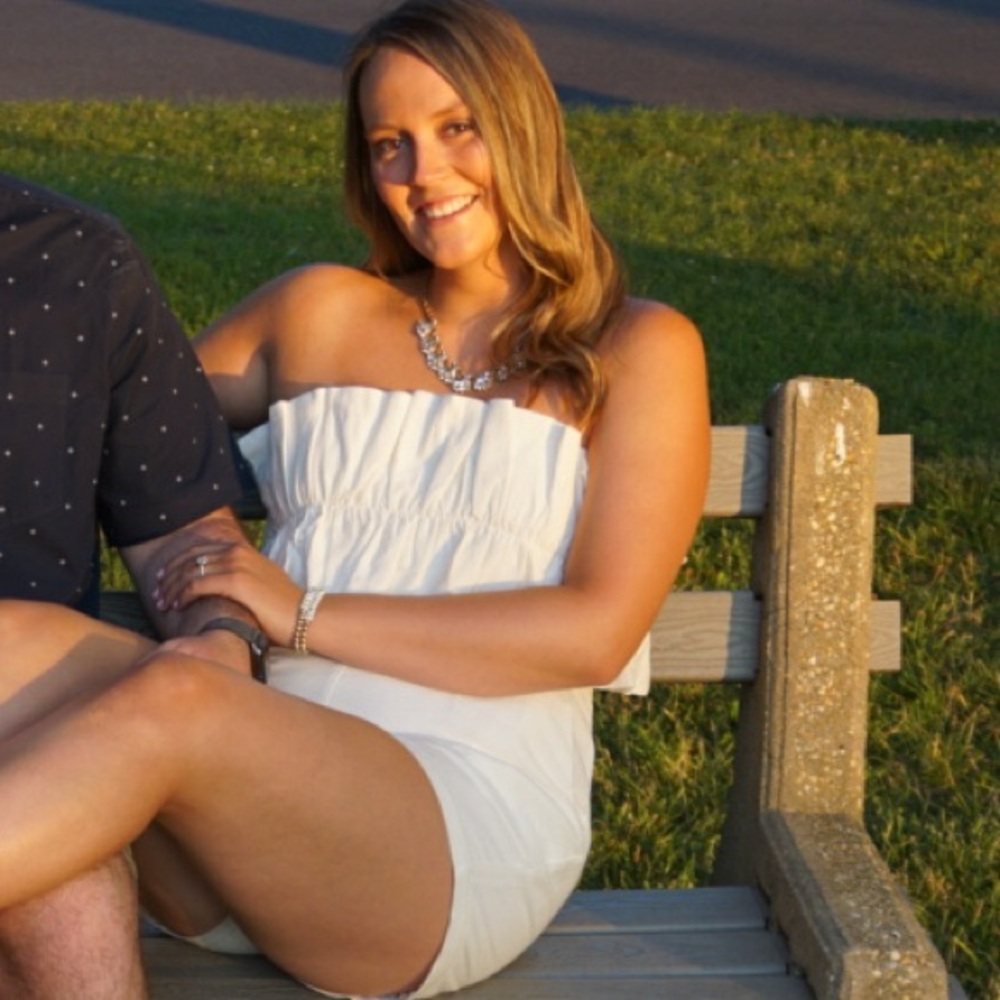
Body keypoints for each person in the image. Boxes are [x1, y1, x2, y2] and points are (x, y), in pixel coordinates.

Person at [0, 0, 710, 997]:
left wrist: (302, 614)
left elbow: (592, 634)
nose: (424, 173)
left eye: (456, 127)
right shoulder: (316, 314)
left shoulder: (638, 349)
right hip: (233, 821)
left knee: (179, 690)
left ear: (524, 124)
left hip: (451, 836)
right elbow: (115, 398)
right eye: (391, 144)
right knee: (18, 643)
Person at [0, 172, 266, 998]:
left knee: (67, 899)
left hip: (22, 732)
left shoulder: (73, 261)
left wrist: (222, 642)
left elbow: (186, 531)